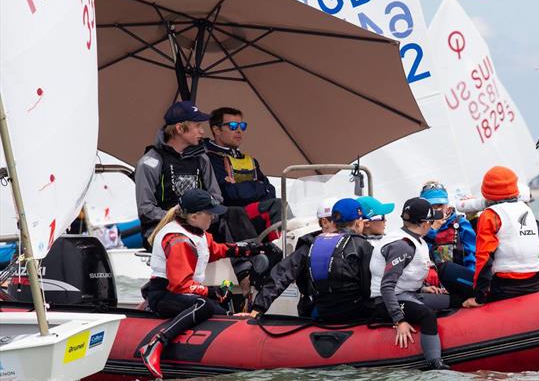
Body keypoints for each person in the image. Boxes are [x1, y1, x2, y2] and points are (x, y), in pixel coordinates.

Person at [138, 189, 262, 379]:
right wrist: (211, 291)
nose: (213, 217)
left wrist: (243, 249)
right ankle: (155, 344)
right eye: (209, 213)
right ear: (195, 216)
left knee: (223, 314)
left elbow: (212, 250)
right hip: (164, 295)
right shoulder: (178, 239)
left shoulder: (198, 232)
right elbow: (179, 285)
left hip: (184, 294)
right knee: (204, 304)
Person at [249, 198, 374, 322]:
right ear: (358, 222)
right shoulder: (362, 245)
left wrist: (258, 308)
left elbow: (282, 274)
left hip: (320, 314)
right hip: (354, 316)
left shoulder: (311, 244)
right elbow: (368, 286)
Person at [370, 198, 450, 371]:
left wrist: (423, 288)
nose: (432, 224)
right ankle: (435, 364)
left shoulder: (415, 239)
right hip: (385, 301)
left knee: (452, 300)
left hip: (408, 294)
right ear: (424, 223)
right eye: (431, 221)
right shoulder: (402, 246)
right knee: (427, 315)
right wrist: (399, 320)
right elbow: (387, 287)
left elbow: (405, 276)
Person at [135, 102, 223, 243]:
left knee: (236, 215)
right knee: (184, 243)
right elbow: (146, 210)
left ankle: (250, 259)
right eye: (197, 126)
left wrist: (202, 216)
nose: (202, 131)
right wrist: (183, 218)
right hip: (163, 231)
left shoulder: (202, 159)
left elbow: (217, 198)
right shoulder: (150, 162)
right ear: (180, 129)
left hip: (199, 229)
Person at [463, 166, 539, 308]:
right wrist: (473, 219)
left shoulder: (490, 215)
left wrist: (479, 298)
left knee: (448, 271)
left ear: (486, 191)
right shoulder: (526, 210)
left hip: (505, 287)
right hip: (534, 283)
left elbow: (484, 257)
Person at [204, 107, 282, 239]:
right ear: (216, 130)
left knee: (279, 205)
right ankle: (278, 248)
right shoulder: (209, 158)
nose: (239, 131)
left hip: (252, 215)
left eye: (242, 126)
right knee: (277, 205)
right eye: (233, 126)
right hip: (228, 220)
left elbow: (270, 190)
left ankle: (282, 247)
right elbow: (228, 194)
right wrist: (257, 186)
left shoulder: (250, 160)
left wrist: (245, 188)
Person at [419, 182, 477, 270]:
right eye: (432, 206)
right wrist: (432, 230)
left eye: (440, 205)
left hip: (461, 278)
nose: (437, 209)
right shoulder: (418, 228)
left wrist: (470, 278)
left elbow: (473, 254)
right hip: (432, 281)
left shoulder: (460, 223)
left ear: (447, 204)